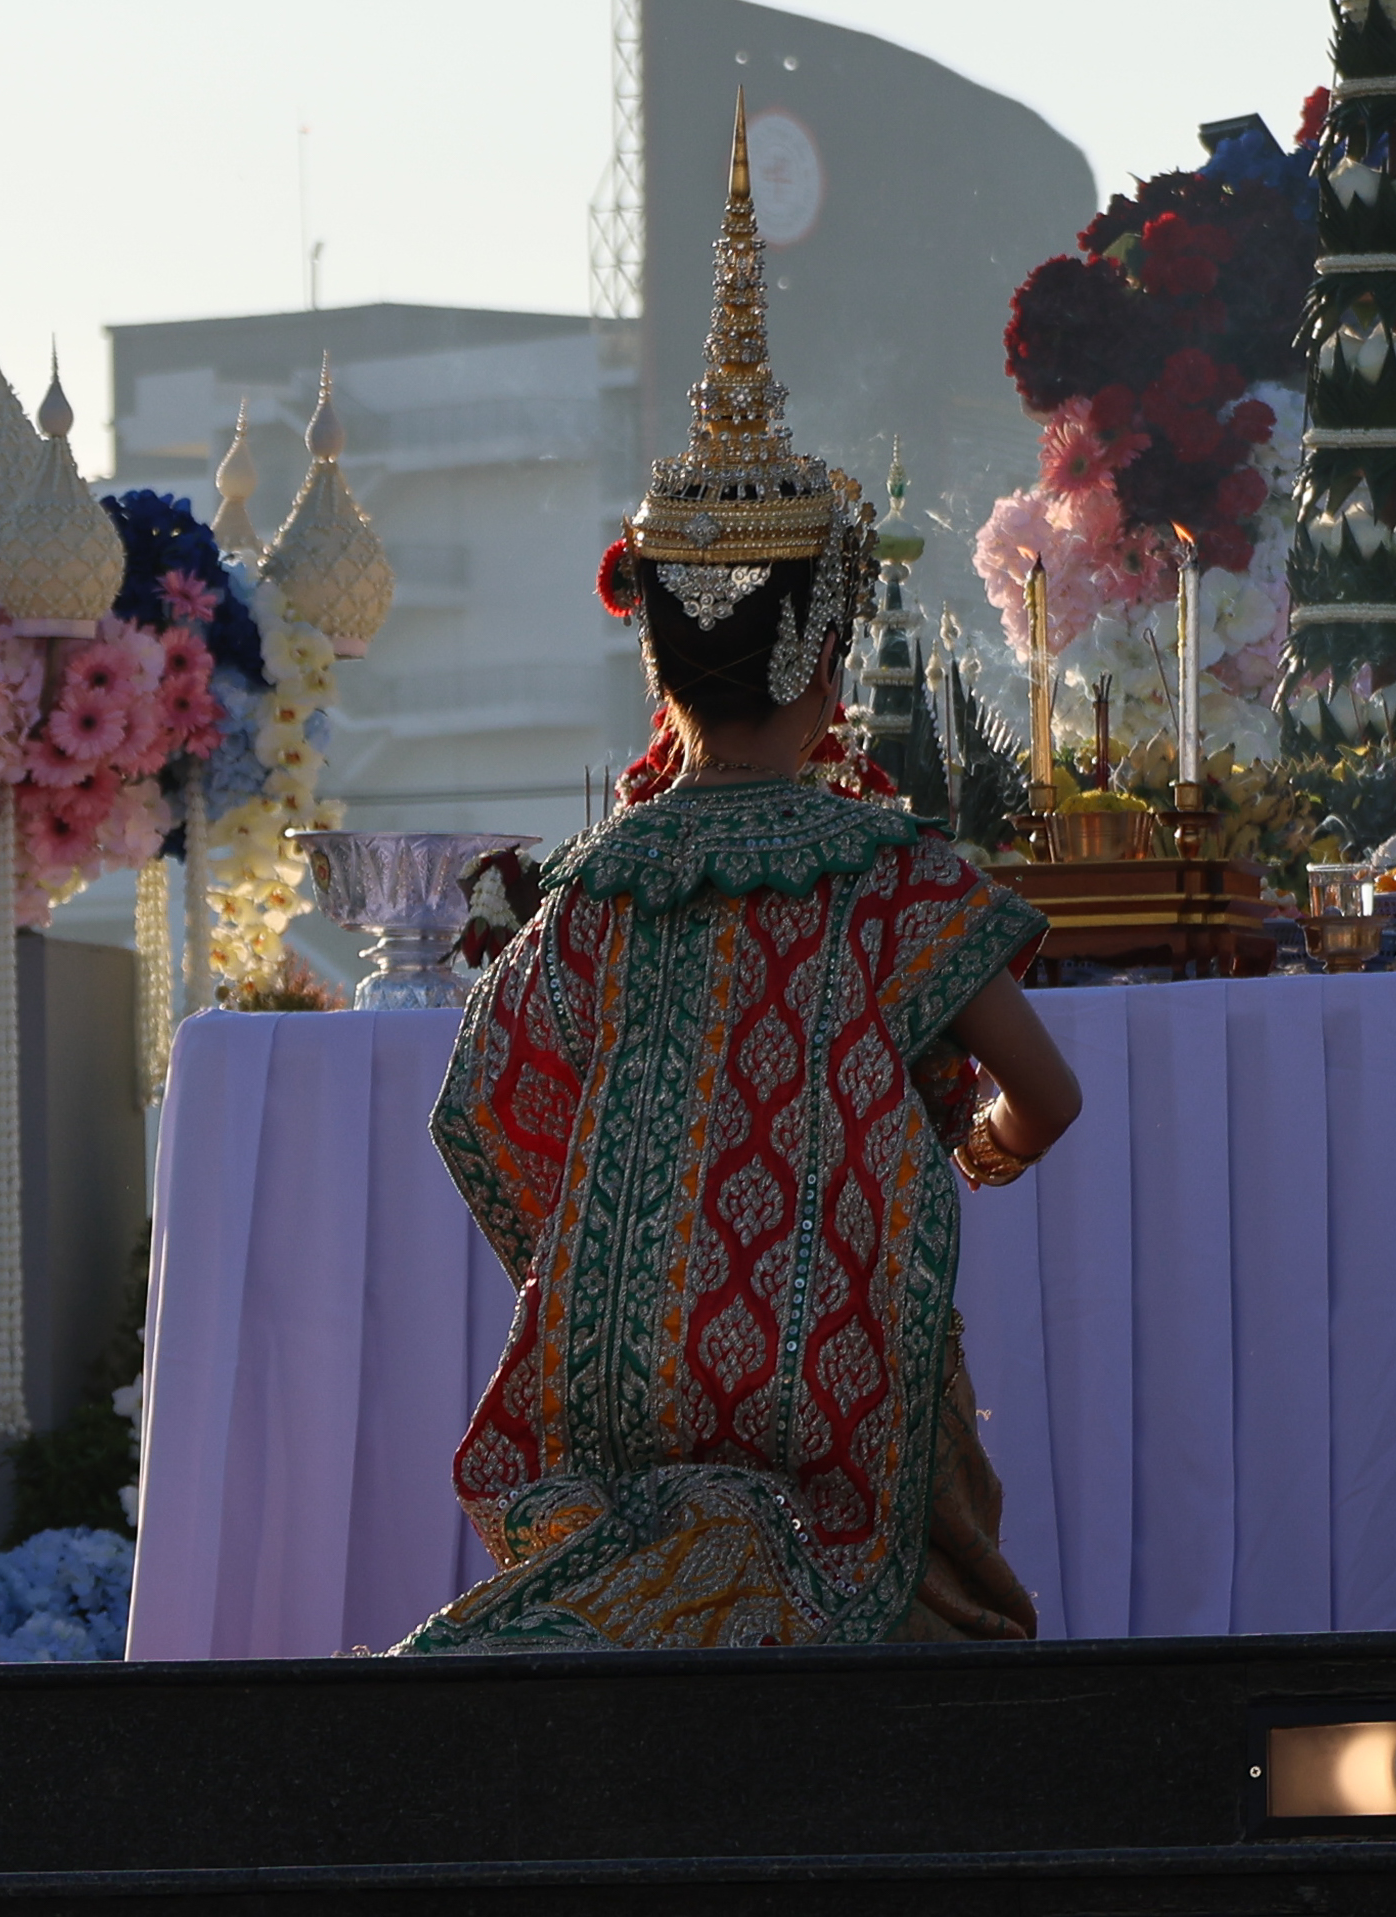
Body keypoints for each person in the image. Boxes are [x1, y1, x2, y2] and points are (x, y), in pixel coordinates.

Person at [398, 104, 1078, 1654]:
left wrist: (611, 1233)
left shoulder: (593, 887)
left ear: (658, 658)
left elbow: (473, 1109)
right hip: (844, 1388)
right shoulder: (884, 874)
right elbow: (1046, 1094)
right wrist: (966, 1151)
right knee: (927, 1631)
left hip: (619, 1389)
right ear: (826, 652)